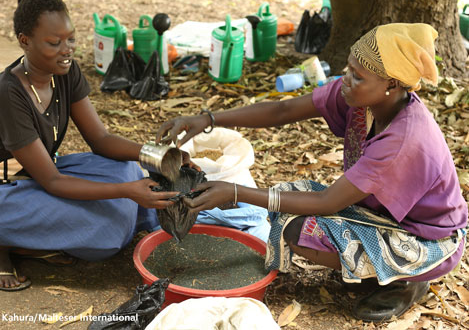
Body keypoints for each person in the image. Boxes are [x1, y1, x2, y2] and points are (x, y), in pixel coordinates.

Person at [156, 23, 467, 322]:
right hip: (381, 214)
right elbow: (284, 110)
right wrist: (208, 118)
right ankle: (374, 270)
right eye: (348, 70)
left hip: (428, 237)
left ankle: (407, 281)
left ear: (393, 84)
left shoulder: (403, 141)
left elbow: (328, 203)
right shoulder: (363, 99)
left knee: (301, 229)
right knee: (287, 208)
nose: (346, 79)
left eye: (356, 76)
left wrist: (235, 192)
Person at [0, 0, 184, 291]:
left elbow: (100, 138)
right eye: (53, 43)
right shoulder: (7, 94)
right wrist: (126, 192)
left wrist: (160, 155)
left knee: (127, 170)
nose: (66, 49)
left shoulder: (64, 71)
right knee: (107, 232)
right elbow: (54, 183)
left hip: (32, 176)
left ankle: (26, 239)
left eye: (70, 39)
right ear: (24, 41)